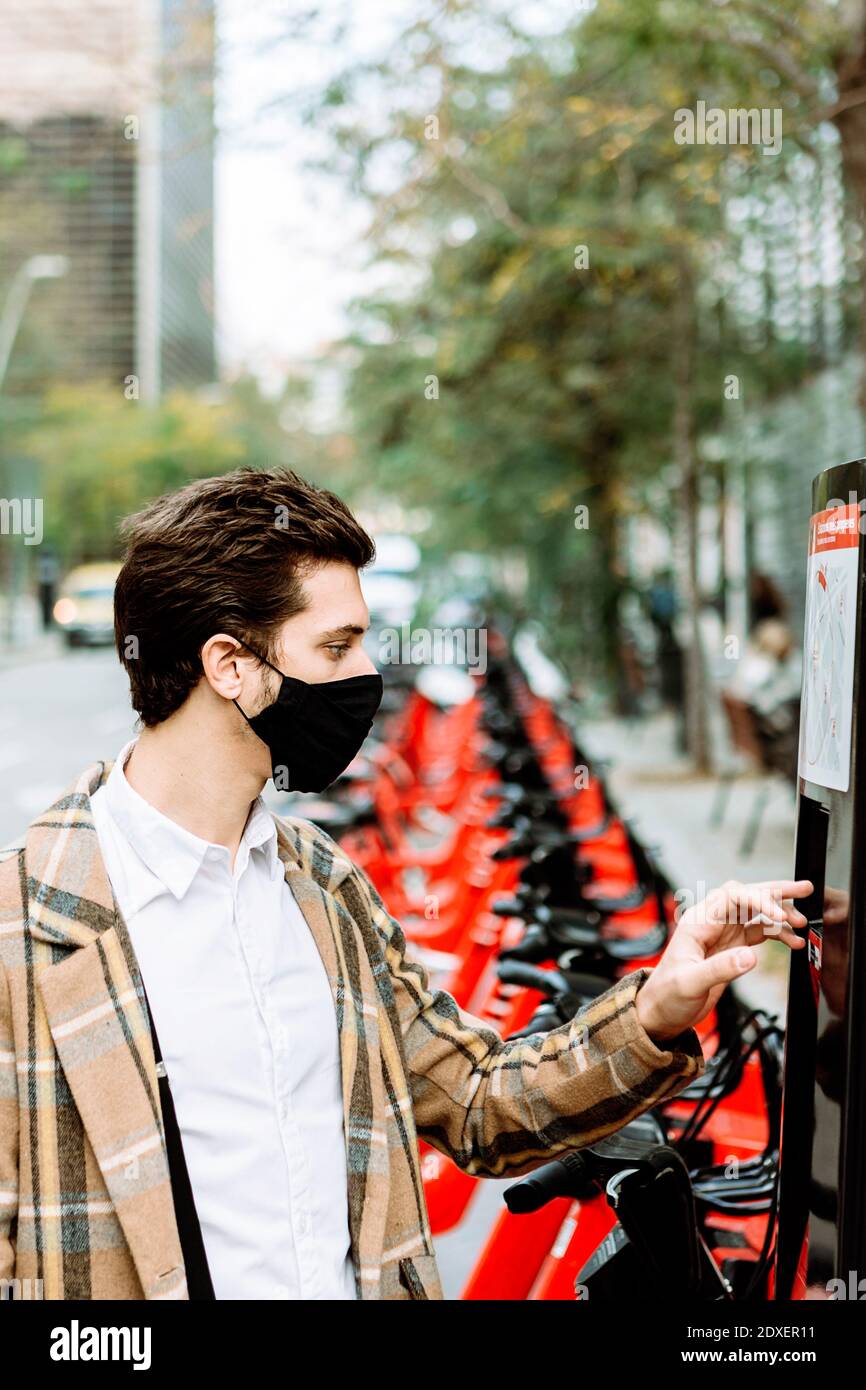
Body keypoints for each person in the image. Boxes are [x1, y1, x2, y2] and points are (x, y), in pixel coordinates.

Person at [0, 468, 810, 1301]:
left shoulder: (320, 885)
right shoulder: (26, 928)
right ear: (229, 666)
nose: (367, 673)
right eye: (337, 646)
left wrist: (657, 1008)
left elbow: (474, 1102)